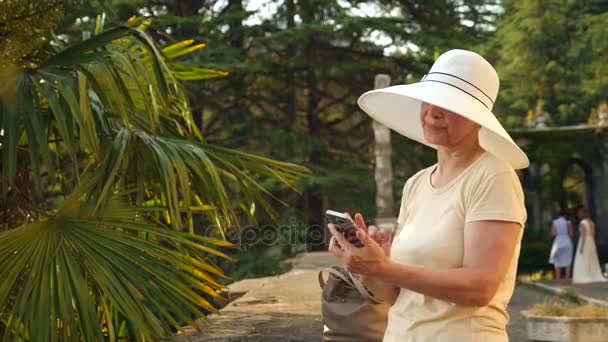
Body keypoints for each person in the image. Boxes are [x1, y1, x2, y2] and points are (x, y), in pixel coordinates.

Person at [327, 49, 528, 341]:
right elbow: (396, 297)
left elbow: (480, 288)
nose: (433, 112)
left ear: (477, 118)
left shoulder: (493, 176)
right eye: (429, 100)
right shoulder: (416, 184)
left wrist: (386, 267)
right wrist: (368, 265)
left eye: (449, 105)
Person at [572, 208, 607, 284]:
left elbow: (584, 235)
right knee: (591, 259)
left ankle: (584, 275)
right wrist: (593, 244)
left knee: (583, 258)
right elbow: (593, 234)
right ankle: (593, 275)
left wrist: (582, 247)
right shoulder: (592, 223)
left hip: (584, 241)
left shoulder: (582, 223)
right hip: (591, 242)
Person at [548, 210, 574, 284]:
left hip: (558, 242)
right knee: (568, 261)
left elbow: (552, 233)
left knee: (557, 261)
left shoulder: (555, 222)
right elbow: (571, 234)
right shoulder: (568, 222)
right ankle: (567, 279)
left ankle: (558, 280)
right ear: (565, 215)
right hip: (567, 241)